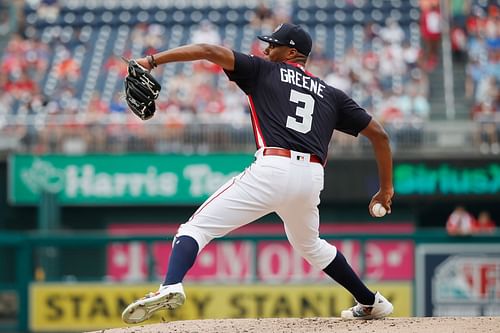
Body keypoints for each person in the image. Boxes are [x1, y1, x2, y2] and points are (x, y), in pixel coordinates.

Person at [121, 23, 394, 324]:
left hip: (273, 167)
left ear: (292, 52)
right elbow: (379, 135)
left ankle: (170, 285)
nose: (266, 50)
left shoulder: (262, 70)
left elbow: (208, 50)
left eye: (273, 45)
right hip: (312, 178)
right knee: (311, 245)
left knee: (194, 229)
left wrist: (152, 61)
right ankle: (370, 302)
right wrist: (385, 190)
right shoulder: (331, 94)